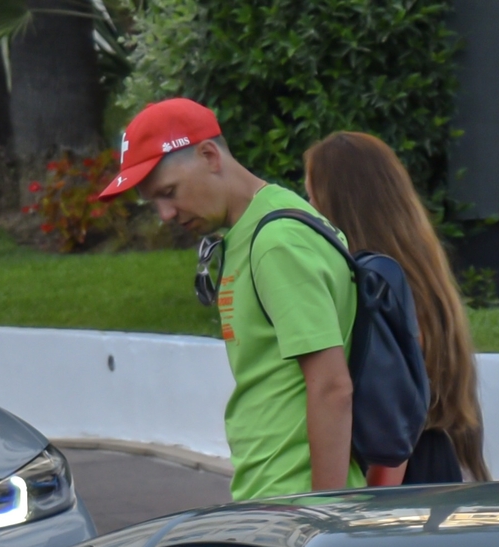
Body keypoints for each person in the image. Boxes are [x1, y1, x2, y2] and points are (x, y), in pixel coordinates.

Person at [101, 98, 358, 500]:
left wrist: (324, 518)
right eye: (154, 201)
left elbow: (332, 388)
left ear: (209, 155)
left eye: (169, 192)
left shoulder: (276, 242)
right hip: (276, 500)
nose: (165, 214)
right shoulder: (254, 231)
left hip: (293, 506)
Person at [303, 131, 488, 485]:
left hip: (398, 484)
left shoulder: (376, 287)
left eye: (313, 198)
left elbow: (392, 419)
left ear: (339, 204)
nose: (309, 211)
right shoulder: (421, 273)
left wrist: (366, 513)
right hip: (434, 463)